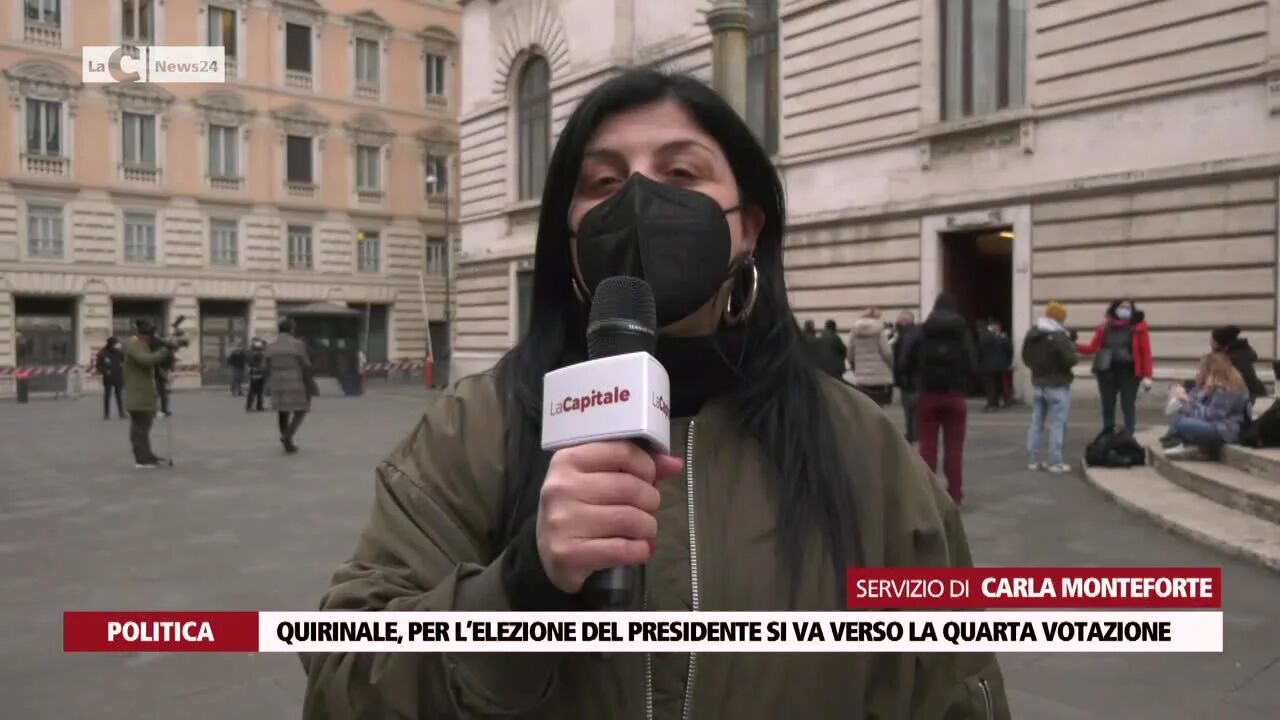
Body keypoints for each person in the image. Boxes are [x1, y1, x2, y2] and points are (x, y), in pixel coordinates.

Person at [301, 69, 1007, 719]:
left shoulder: (862, 449)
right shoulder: (476, 426)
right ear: (569, 237)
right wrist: (520, 591)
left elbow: (953, 689)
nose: (639, 199)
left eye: (681, 172)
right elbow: (343, 679)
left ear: (748, 227)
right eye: (604, 183)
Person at [902, 294, 976, 505]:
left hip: (928, 396)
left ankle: (927, 494)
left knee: (927, 447)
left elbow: (905, 361)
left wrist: (912, 380)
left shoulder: (922, 330)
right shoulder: (962, 333)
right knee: (954, 449)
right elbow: (973, 363)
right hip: (955, 396)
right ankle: (955, 493)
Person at [1077, 298, 1153, 437]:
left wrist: (1148, 375)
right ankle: (1107, 434)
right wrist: (1075, 346)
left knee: (1128, 405)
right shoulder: (1105, 326)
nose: (1125, 310)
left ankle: (1129, 435)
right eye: (1122, 307)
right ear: (1115, 308)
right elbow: (1093, 347)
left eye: (1128, 307)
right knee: (1107, 406)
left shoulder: (1138, 327)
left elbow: (1145, 352)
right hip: (1107, 372)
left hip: (1129, 372)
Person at [1022, 301, 1078, 473]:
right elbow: (1070, 360)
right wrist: (1071, 345)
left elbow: (1025, 357)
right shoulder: (1059, 335)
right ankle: (1055, 461)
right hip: (1057, 384)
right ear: (1059, 318)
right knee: (1058, 423)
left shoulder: (1032, 333)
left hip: (1039, 383)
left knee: (1036, 422)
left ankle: (1033, 459)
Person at [1163, 353, 1251, 460]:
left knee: (1182, 423)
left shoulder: (1228, 390)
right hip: (1209, 424)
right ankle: (1175, 441)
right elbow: (1193, 405)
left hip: (1223, 430)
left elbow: (1211, 416)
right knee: (1180, 416)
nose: (1199, 372)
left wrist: (1188, 402)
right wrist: (1186, 394)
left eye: (1201, 369)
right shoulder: (1208, 385)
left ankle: (1174, 441)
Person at [122, 320, 172, 468]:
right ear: (144, 335)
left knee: (144, 426)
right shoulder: (134, 345)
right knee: (139, 429)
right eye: (150, 335)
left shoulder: (140, 345)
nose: (152, 339)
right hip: (138, 394)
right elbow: (147, 360)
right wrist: (164, 350)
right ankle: (141, 459)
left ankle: (147, 454)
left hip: (143, 394)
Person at [265, 318, 314, 454]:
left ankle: (287, 443)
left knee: (282, 411)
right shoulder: (297, 344)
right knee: (302, 409)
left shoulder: (271, 345)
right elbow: (306, 363)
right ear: (292, 329)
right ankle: (287, 436)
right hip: (293, 380)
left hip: (276, 380)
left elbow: (266, 364)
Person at [847, 307, 894, 406]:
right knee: (879, 407)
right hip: (880, 378)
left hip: (862, 379)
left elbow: (850, 354)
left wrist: (855, 368)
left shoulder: (854, 332)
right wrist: (891, 366)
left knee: (865, 408)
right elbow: (887, 353)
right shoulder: (880, 331)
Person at [1210, 325, 1267, 402]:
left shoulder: (1232, 358)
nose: (1210, 342)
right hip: (1245, 396)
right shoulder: (1238, 354)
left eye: (1213, 340)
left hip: (1240, 398)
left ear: (1219, 342)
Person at [891, 310, 920, 443]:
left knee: (910, 407)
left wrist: (900, 371)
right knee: (914, 408)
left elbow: (903, 356)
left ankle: (912, 433)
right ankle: (914, 432)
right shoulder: (917, 332)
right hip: (917, 376)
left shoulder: (906, 335)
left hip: (909, 377)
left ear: (904, 321)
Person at [977, 320, 1013, 411]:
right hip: (1000, 365)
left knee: (991, 385)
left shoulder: (984, 335)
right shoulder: (1002, 337)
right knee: (996, 384)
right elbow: (1009, 350)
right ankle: (995, 402)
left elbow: (980, 350)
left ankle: (992, 403)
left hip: (988, 364)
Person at [95, 336, 125, 420]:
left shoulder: (119, 352)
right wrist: (105, 371)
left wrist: (123, 367)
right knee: (107, 396)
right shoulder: (102, 353)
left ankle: (121, 413)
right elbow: (98, 366)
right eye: (116, 343)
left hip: (118, 376)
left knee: (119, 396)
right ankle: (106, 414)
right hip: (108, 378)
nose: (117, 345)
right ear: (111, 344)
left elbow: (124, 361)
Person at [245, 338, 267, 412]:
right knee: (256, 391)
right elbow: (259, 364)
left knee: (255, 391)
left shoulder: (252, 354)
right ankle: (256, 406)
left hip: (256, 373)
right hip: (258, 373)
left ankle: (254, 406)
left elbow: (249, 364)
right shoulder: (258, 355)